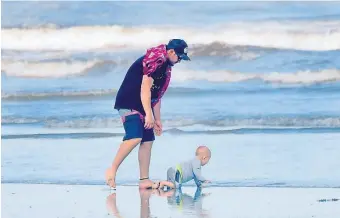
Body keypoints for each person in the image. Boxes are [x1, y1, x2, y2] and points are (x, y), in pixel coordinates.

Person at [105, 39, 191, 189]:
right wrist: (148, 115)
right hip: (129, 102)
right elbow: (145, 88)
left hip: (143, 104)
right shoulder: (156, 61)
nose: (179, 61)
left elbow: (156, 95)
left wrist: (157, 119)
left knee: (148, 140)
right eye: (179, 57)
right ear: (171, 52)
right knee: (135, 137)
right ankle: (112, 170)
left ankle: (144, 180)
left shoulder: (166, 66)